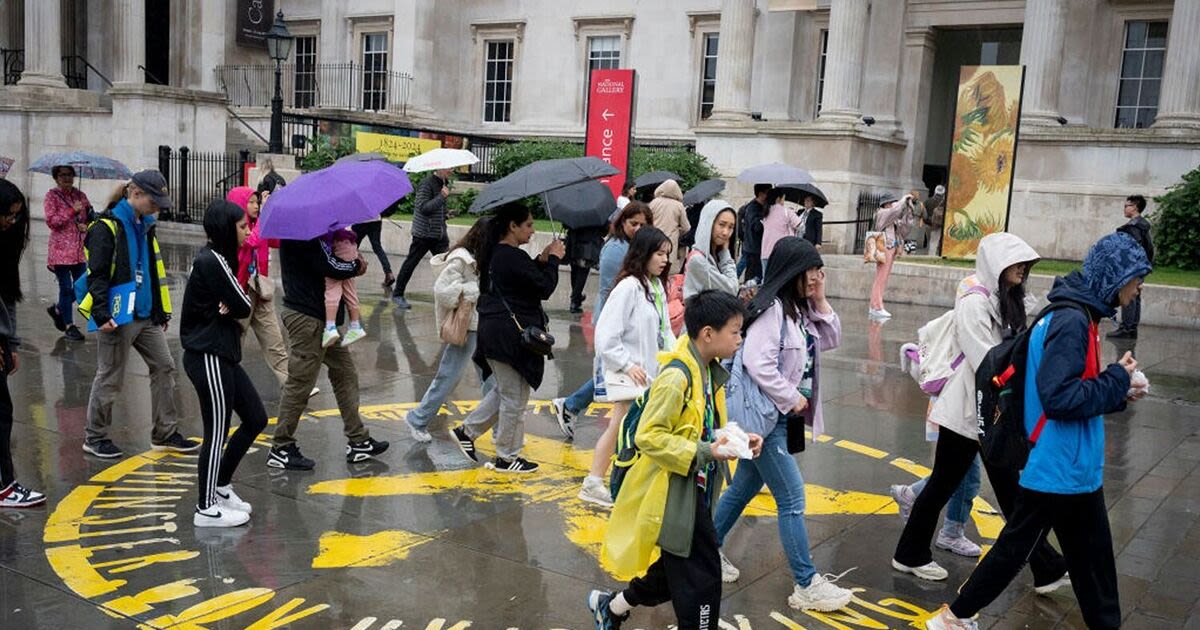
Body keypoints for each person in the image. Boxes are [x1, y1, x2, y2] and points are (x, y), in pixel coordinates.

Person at [928, 232, 1152, 630]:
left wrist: (1119, 390)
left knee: (1091, 565)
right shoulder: (1070, 321)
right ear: (1115, 278)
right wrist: (1117, 379)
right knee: (1019, 551)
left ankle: (956, 618)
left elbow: (1071, 388)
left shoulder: (1080, 316)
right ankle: (954, 618)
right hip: (1057, 466)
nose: (1138, 291)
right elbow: (1059, 398)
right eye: (1136, 281)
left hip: (1073, 467)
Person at [892, 233, 1073, 588]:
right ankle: (910, 554)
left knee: (1006, 491)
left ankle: (1045, 565)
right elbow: (985, 361)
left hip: (986, 414)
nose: (1022, 268)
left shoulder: (1004, 298)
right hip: (967, 412)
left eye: (1025, 263)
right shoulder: (975, 302)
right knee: (947, 484)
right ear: (997, 265)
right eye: (1015, 263)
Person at [590, 290, 762, 630]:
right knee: (703, 577)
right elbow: (649, 436)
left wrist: (733, 438)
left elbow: (697, 426)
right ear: (708, 334)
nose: (740, 339)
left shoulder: (705, 369)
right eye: (735, 331)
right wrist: (705, 452)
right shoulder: (678, 376)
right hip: (672, 490)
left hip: (688, 486)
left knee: (678, 566)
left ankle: (611, 607)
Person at [715, 237, 854, 612]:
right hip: (766, 419)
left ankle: (705, 551)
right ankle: (806, 583)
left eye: (818, 270)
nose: (816, 276)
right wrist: (792, 398)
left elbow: (831, 338)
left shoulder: (799, 309)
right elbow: (758, 363)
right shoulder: (773, 308)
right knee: (792, 499)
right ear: (793, 269)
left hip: (776, 418)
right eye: (811, 269)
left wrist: (821, 297)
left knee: (743, 486)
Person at [80, 170, 198, 459]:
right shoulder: (106, 227)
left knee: (165, 366)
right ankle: (94, 437)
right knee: (110, 376)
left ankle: (165, 433)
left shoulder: (145, 225)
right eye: (154, 201)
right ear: (135, 193)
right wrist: (100, 312)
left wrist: (160, 309)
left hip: (146, 315)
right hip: (117, 316)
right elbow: (96, 275)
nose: (158, 208)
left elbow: (153, 269)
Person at [452, 203, 564, 473]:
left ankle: (467, 432)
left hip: (497, 333)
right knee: (514, 397)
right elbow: (544, 287)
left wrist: (543, 259)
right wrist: (555, 260)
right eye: (528, 225)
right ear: (512, 226)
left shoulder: (498, 254)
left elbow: (521, 280)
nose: (532, 230)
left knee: (505, 391)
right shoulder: (510, 256)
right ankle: (506, 456)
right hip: (509, 337)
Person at [269, 225, 389, 471]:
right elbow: (330, 266)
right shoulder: (304, 232)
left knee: (345, 373)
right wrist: (357, 265)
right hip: (307, 319)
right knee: (300, 384)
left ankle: (358, 439)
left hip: (323, 322)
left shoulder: (315, 232)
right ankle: (281, 447)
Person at [180, 199, 267, 528]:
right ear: (226, 229)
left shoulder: (221, 259)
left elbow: (239, 302)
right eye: (243, 226)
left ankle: (220, 485)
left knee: (255, 417)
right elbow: (244, 305)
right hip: (208, 355)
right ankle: (205, 507)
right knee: (216, 431)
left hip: (223, 352)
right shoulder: (212, 260)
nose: (248, 231)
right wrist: (234, 302)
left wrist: (233, 301)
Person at [579, 227, 675, 506]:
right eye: (659, 254)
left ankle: (619, 481)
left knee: (632, 429)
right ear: (643, 254)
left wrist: (673, 360)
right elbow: (606, 335)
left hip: (650, 373)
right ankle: (594, 481)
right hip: (631, 374)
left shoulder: (654, 286)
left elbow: (665, 330)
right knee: (621, 426)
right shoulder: (629, 287)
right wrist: (626, 364)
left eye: (667, 254)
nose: (665, 260)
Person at [552, 203, 651, 439]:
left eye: (643, 225)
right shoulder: (617, 248)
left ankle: (571, 405)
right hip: (614, 318)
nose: (638, 228)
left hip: (628, 319)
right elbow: (612, 288)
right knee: (617, 371)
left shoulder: (634, 247)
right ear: (622, 223)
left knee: (614, 371)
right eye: (633, 223)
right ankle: (571, 405)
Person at [405, 219, 494, 442]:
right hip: (467, 328)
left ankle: (500, 428)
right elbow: (442, 291)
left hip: (482, 325)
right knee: (449, 376)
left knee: (492, 379)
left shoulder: (483, 257)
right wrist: (470, 289)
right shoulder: (461, 258)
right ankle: (418, 419)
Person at [0, 180, 46, 508]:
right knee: (1, 413)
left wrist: (11, 344)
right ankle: (5, 486)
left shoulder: (5, 244)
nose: (11, 222)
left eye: (17, 216)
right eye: (7, 215)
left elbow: (9, 299)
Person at [226, 187, 295, 391]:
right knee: (236, 339)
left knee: (274, 338)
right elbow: (251, 241)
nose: (256, 206)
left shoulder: (258, 224)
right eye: (251, 202)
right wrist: (265, 213)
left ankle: (290, 383)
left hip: (261, 288)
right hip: (242, 291)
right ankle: (227, 379)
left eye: (258, 202)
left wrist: (275, 210)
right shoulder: (236, 229)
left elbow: (276, 239)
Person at [393, 168, 452, 310]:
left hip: (439, 234)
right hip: (423, 234)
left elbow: (437, 210)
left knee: (448, 265)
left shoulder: (443, 183)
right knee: (411, 263)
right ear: (440, 168)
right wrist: (441, 197)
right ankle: (397, 294)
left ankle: (451, 296)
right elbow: (423, 207)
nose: (452, 170)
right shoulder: (426, 184)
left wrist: (446, 214)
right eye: (449, 168)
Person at [44, 164, 91, 342]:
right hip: (60, 251)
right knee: (66, 288)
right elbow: (52, 221)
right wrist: (72, 211)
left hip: (79, 250)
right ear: (56, 178)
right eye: (63, 175)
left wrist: (85, 224)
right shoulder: (51, 196)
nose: (67, 178)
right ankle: (69, 325)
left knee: (83, 286)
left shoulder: (80, 196)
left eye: (70, 175)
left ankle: (58, 309)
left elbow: (89, 216)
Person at [1109, 194, 1154, 339]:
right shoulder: (1143, 226)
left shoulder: (1133, 228)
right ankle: (1132, 328)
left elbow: (1130, 250)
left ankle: (1126, 329)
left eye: (1126, 206)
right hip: (1141, 267)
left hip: (1132, 268)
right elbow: (1149, 249)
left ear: (1134, 207)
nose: (1124, 208)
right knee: (1136, 296)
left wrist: (1126, 268)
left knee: (1128, 295)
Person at [868, 194, 916, 319]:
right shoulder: (882, 213)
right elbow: (895, 211)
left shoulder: (892, 217)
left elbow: (905, 228)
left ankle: (875, 305)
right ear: (886, 204)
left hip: (890, 248)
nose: (894, 204)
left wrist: (909, 210)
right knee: (880, 278)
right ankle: (876, 306)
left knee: (882, 278)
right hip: (883, 247)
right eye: (892, 202)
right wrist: (903, 199)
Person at [683, 199, 738, 298]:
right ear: (709, 223)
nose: (726, 232)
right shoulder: (698, 260)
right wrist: (725, 253)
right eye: (721, 224)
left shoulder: (715, 254)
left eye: (731, 227)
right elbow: (732, 289)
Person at [321, 228, 366, 348]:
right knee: (349, 288)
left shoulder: (323, 216)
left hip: (338, 243)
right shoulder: (339, 215)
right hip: (348, 242)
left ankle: (330, 327)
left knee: (333, 287)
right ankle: (355, 326)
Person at [648, 179, 689, 274]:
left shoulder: (654, 202)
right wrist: (678, 231)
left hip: (653, 239)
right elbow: (686, 227)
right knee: (668, 269)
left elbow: (647, 221)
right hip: (670, 241)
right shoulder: (679, 206)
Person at [565, 225, 606, 314]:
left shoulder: (575, 212)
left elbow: (566, 224)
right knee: (582, 272)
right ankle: (575, 300)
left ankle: (576, 297)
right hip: (588, 246)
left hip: (574, 243)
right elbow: (604, 231)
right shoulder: (595, 214)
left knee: (575, 271)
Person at [760, 189, 802, 274]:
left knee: (767, 282)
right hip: (781, 252)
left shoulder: (765, 212)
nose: (784, 201)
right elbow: (801, 226)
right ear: (778, 199)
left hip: (765, 252)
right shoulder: (786, 211)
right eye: (783, 198)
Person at [737, 184, 770, 283]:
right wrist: (765, 217)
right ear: (761, 194)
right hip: (753, 250)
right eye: (768, 193)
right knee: (752, 280)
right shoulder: (753, 208)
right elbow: (757, 227)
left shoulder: (762, 207)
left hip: (759, 249)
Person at [353, 213, 395, 291]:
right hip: (376, 220)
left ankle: (347, 274)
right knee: (378, 248)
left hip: (360, 221)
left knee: (352, 247)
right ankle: (389, 273)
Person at [924, 185, 946, 256]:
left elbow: (923, 212)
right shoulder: (944, 203)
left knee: (930, 242)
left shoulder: (927, 201)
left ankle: (929, 254)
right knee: (935, 242)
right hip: (938, 225)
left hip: (928, 224)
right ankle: (932, 256)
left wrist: (926, 220)